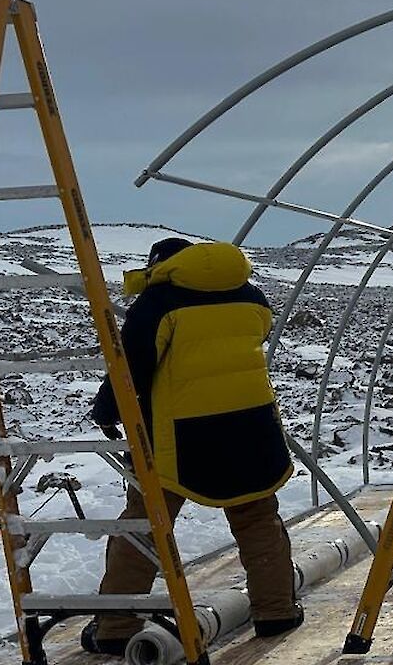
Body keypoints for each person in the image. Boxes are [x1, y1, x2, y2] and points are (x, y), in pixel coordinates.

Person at [82, 238, 301, 654]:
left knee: (144, 524)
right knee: (258, 520)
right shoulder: (252, 296)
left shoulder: (158, 302)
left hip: (180, 437)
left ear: (160, 265)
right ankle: (276, 611)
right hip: (252, 427)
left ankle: (115, 625)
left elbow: (132, 365)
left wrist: (107, 410)